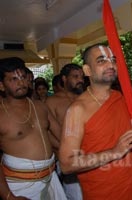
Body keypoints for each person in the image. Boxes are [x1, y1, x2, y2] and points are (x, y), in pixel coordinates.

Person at [58, 44, 132, 199]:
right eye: (101, 61)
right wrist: (114, 152)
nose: (110, 64)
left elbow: (126, 132)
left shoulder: (120, 97)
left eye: (113, 60)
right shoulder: (77, 110)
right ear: (87, 70)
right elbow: (66, 164)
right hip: (105, 190)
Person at [0, 57, 66, 200]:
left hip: (51, 178)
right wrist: (8, 196)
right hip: (20, 186)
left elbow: (62, 136)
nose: (21, 82)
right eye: (13, 79)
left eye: (23, 77)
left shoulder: (40, 106)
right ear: (1, 86)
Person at [46, 63, 84, 200]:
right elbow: (48, 134)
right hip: (68, 158)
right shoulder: (52, 102)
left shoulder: (86, 99)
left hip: (90, 156)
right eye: (75, 76)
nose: (80, 80)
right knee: (76, 196)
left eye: (81, 77)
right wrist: (67, 152)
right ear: (64, 79)